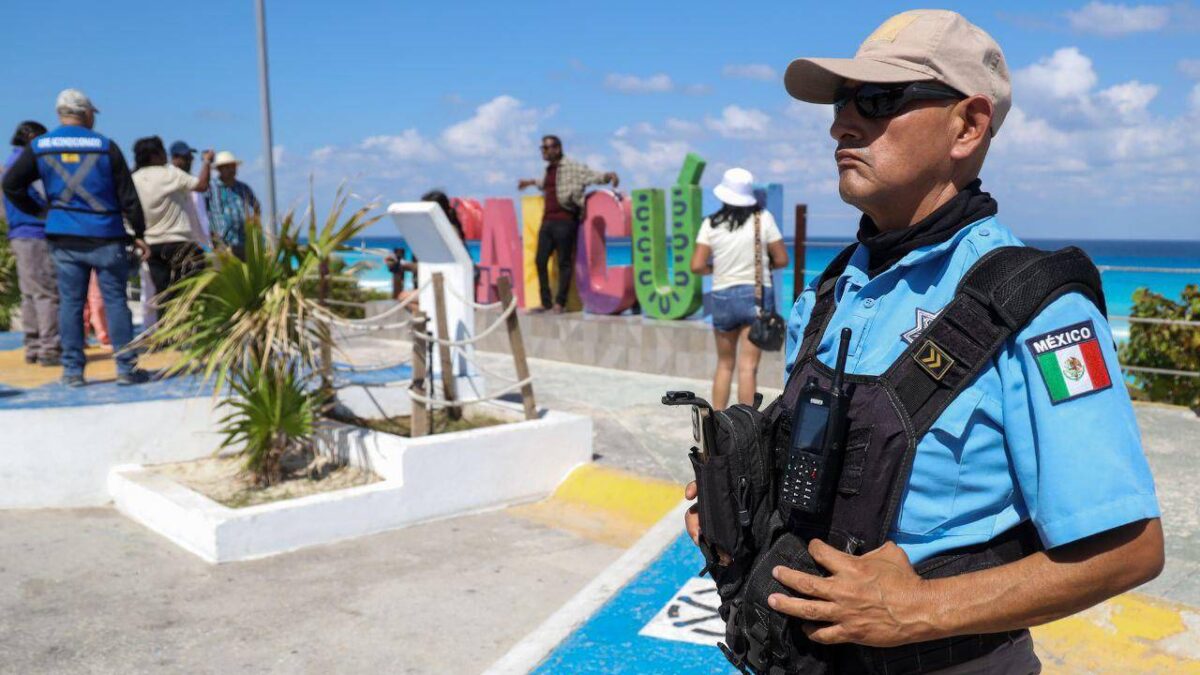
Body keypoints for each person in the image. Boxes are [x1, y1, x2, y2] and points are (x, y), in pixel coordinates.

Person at [683, 10, 1162, 673]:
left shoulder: (1039, 309)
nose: (842, 125)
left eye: (878, 101)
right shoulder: (833, 289)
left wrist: (921, 608)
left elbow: (1129, 548)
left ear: (968, 126)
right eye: (842, 103)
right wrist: (743, 499)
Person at [3, 88, 151, 387]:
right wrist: (139, 232)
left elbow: (11, 185)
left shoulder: (41, 146)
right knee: (115, 301)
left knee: (70, 303)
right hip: (106, 235)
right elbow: (128, 195)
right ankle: (126, 367)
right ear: (85, 113)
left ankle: (72, 371)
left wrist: (41, 212)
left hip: (63, 236)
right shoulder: (105, 146)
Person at [690, 167, 787, 409]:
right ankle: (746, 425)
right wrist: (763, 265)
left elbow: (697, 265)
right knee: (748, 368)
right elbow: (782, 259)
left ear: (723, 194)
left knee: (724, 365)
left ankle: (715, 422)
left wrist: (716, 269)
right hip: (756, 296)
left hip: (722, 297)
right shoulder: (763, 219)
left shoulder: (710, 224)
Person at [517, 135, 618, 313]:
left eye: (546, 148)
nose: (543, 151)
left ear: (557, 149)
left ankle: (560, 303)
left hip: (565, 221)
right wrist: (530, 182)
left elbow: (591, 176)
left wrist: (608, 176)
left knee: (564, 262)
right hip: (547, 222)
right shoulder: (549, 170)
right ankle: (546, 302)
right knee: (540, 260)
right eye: (542, 148)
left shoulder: (572, 167)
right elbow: (546, 185)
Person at [131, 136, 213, 310]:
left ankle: (166, 326)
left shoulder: (134, 179)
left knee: (164, 296)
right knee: (192, 291)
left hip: (152, 246)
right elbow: (201, 185)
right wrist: (207, 162)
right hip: (178, 242)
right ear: (155, 155)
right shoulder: (170, 173)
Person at [3, 120, 60, 366]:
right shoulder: (30, 163)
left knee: (30, 294)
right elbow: (46, 196)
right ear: (31, 136)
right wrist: (46, 214)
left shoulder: (10, 161)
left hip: (19, 234)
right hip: (36, 233)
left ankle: (33, 346)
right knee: (46, 293)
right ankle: (49, 348)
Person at [204, 150, 259, 259]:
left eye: (233, 166)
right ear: (219, 169)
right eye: (227, 167)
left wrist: (254, 225)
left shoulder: (243, 188)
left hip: (243, 242)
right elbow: (201, 212)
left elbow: (256, 206)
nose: (231, 169)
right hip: (221, 243)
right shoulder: (210, 188)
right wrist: (210, 233)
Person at [169, 140, 212, 248]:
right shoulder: (171, 176)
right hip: (181, 242)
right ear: (175, 158)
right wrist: (206, 162)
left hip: (199, 243)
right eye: (186, 158)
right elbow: (203, 185)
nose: (190, 161)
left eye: (191, 158)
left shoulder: (189, 179)